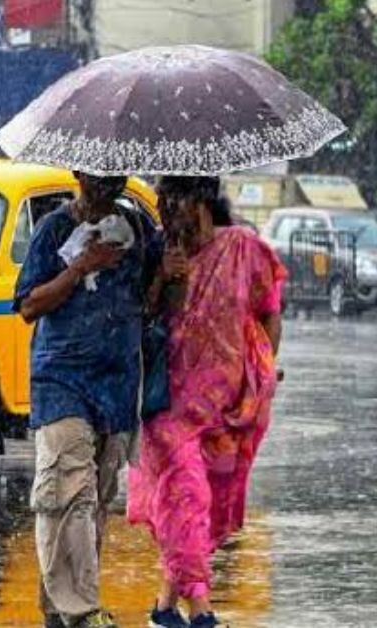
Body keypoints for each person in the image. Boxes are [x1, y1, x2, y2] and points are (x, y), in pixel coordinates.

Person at [127, 177, 285, 628]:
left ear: (200, 199)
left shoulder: (243, 248)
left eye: (175, 198)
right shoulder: (154, 251)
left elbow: (269, 311)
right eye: (162, 199)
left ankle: (164, 608)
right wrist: (162, 278)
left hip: (225, 408)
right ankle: (201, 610)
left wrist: (263, 370)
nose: (165, 208)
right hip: (168, 405)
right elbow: (136, 318)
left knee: (198, 509)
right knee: (188, 494)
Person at [14, 173, 166, 628]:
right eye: (98, 177)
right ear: (79, 174)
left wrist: (166, 274)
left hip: (116, 385)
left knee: (93, 500)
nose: (107, 184)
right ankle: (81, 610)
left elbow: (150, 305)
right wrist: (80, 266)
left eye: (116, 177)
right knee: (68, 491)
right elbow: (28, 306)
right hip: (62, 380)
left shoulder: (138, 229)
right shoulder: (54, 229)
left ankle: (59, 608)